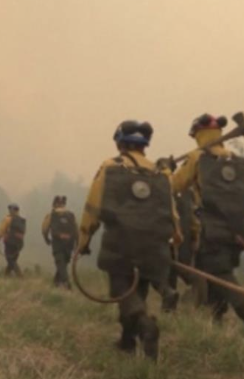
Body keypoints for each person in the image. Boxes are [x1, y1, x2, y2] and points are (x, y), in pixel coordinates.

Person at [77, 120, 181, 361]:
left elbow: (93, 207)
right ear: (144, 145)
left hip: (120, 246)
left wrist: (84, 239)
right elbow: (171, 213)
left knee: (123, 292)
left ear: (120, 143)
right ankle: (127, 342)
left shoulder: (110, 167)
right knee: (138, 291)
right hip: (154, 248)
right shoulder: (161, 173)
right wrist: (175, 240)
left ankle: (146, 326)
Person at [172, 113, 244, 340]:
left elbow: (175, 185)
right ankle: (215, 324)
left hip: (212, 232)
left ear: (198, 134)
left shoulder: (198, 158)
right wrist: (242, 230)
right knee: (211, 273)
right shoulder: (237, 160)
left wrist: (167, 169)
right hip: (239, 232)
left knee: (221, 275)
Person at [42, 195, 78, 289]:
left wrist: (47, 239)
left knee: (60, 263)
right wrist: (77, 244)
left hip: (58, 243)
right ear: (64, 204)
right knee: (63, 263)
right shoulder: (71, 215)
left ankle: (67, 283)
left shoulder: (51, 215)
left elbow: (45, 229)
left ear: (54, 204)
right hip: (69, 244)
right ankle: (55, 283)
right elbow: (76, 230)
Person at [0, 204, 26, 277]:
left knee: (10, 259)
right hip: (19, 243)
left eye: (10, 209)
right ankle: (6, 276)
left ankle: (20, 275)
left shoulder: (8, 219)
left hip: (10, 242)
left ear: (11, 210)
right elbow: (24, 232)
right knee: (13, 260)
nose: (9, 211)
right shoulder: (22, 220)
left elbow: (2, 230)